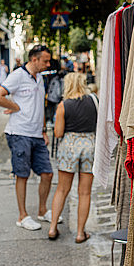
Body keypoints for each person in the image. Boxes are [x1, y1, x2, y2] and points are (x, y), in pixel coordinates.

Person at [0, 45, 54, 231]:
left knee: (47, 174)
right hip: (19, 133)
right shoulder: (18, 75)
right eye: (45, 61)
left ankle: (42, 211)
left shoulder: (40, 78)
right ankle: (22, 216)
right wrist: (15, 106)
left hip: (36, 134)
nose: (48, 64)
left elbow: (40, 105)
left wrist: (43, 130)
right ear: (34, 59)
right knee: (22, 175)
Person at [47, 73, 97, 243]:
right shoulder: (94, 100)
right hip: (90, 144)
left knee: (62, 189)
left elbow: (58, 133)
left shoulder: (63, 105)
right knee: (84, 192)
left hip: (69, 146)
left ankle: (53, 228)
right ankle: (80, 233)